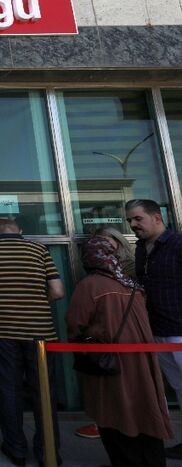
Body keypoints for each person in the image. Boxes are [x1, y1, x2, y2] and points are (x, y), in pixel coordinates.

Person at [67, 236, 172, 466]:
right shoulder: (130, 283)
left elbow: (76, 323)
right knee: (145, 410)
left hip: (112, 364)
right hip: (142, 361)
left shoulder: (90, 285)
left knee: (115, 412)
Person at [0, 218, 64, 466]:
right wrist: (36, 302)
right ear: (20, 231)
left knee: (8, 389)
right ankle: (48, 451)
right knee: (44, 391)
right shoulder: (38, 250)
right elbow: (57, 291)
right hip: (40, 333)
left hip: (3, 331)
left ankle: (16, 449)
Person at [125, 199, 182, 459]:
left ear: (156, 217)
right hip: (156, 329)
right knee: (178, 387)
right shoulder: (140, 248)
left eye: (138, 219)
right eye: (130, 221)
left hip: (179, 328)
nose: (133, 224)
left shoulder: (177, 244)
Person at [75, 226, 135, 441]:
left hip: (118, 336)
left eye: (105, 242)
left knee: (125, 383)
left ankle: (121, 424)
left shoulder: (123, 270)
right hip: (124, 336)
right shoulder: (113, 270)